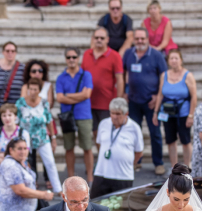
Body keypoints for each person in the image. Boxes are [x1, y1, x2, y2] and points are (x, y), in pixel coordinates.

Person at [123, 27, 167, 175]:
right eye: (137, 39)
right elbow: (124, 72)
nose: (140, 41)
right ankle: (136, 161)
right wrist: (125, 91)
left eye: (143, 38)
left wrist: (157, 97)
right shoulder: (129, 54)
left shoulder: (156, 55)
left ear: (148, 39)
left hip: (151, 102)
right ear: (134, 40)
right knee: (134, 133)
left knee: (155, 133)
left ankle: (158, 163)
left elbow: (163, 77)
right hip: (133, 101)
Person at [17, 78, 63, 194]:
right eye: (30, 89)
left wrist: (53, 138)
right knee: (27, 163)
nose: (32, 92)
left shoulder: (44, 103)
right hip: (25, 139)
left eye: (35, 89)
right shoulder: (20, 103)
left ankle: (58, 189)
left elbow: (49, 120)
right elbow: (16, 121)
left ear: (39, 90)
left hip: (42, 137)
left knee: (50, 162)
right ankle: (29, 188)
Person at [152, 50, 197, 168]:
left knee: (185, 140)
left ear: (181, 60)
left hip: (183, 113)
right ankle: (174, 166)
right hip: (167, 112)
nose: (174, 61)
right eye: (171, 58)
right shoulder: (164, 75)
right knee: (170, 140)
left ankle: (187, 166)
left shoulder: (188, 75)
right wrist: (156, 112)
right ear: (168, 61)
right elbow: (160, 94)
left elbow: (194, 97)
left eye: (176, 58)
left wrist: (191, 115)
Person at [92, 98, 144, 199]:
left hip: (123, 176)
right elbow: (99, 144)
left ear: (126, 114)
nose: (114, 117)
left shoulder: (134, 128)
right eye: (112, 113)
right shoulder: (103, 124)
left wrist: (129, 164)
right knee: (95, 206)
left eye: (118, 114)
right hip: (102, 173)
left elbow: (139, 152)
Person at [56, 48, 93, 181]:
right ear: (66, 59)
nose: (71, 60)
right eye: (69, 57)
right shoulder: (61, 77)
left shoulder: (86, 75)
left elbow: (87, 94)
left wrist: (68, 96)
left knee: (87, 147)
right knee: (69, 147)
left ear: (78, 58)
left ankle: (90, 176)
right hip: (67, 116)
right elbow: (59, 98)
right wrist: (80, 96)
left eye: (74, 57)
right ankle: (70, 177)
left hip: (84, 115)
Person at [82, 27, 124, 138]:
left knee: (107, 133)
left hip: (107, 103)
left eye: (102, 38)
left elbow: (120, 79)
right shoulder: (87, 54)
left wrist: (118, 101)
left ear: (107, 39)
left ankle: (109, 155)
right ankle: (102, 155)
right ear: (92, 39)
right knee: (96, 133)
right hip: (89, 102)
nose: (99, 40)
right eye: (96, 38)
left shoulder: (115, 56)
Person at [0, 103, 31, 198]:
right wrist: (13, 156)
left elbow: (24, 156)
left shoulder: (23, 133)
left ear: (15, 117)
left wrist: (2, 155)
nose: (7, 118)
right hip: (0, 172)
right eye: (4, 115)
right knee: (1, 199)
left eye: (10, 115)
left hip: (18, 172)